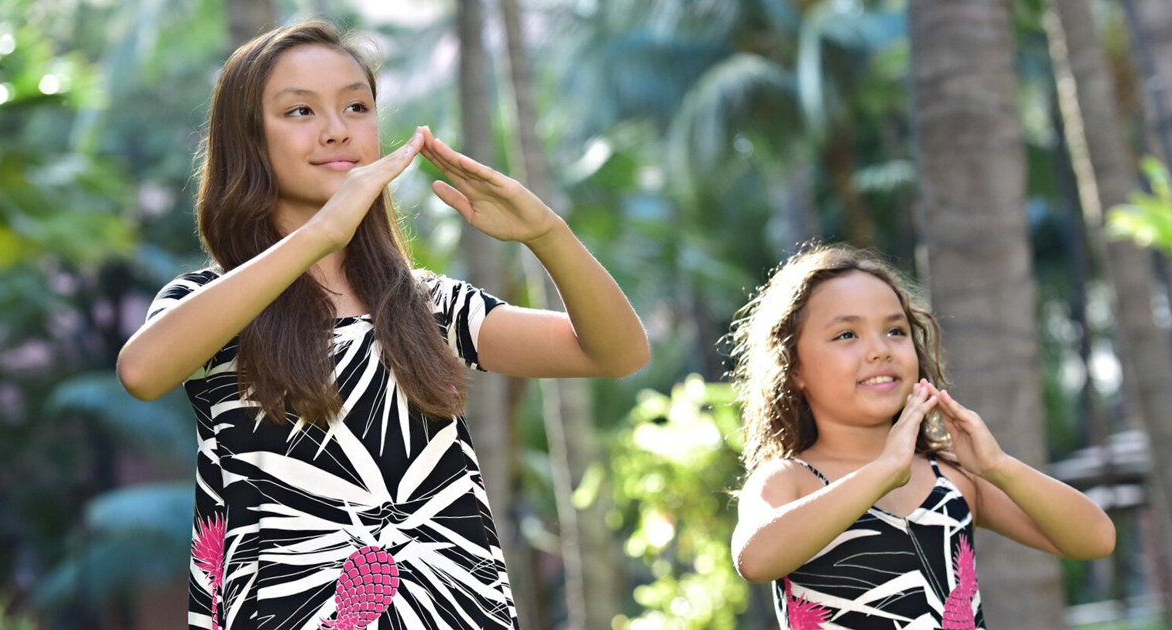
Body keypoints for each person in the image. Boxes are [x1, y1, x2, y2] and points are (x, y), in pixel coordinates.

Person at [116, 20, 648, 630]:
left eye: (356, 106)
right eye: (299, 112)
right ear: (249, 140)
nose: (337, 129)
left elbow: (617, 352)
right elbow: (141, 371)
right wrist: (323, 231)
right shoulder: (209, 302)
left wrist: (546, 233)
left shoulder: (426, 306)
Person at [728, 244, 1114, 629]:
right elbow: (755, 559)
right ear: (794, 368)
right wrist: (883, 471)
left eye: (895, 330)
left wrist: (998, 467)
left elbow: (1095, 538)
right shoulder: (789, 480)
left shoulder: (953, 478)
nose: (879, 350)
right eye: (847, 334)